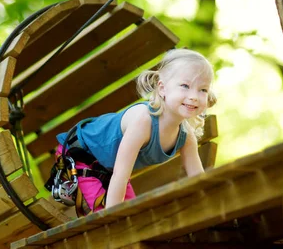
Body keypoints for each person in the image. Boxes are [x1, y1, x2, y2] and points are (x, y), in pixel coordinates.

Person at [46, 48, 217, 216]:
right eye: (185, 86)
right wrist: (112, 218)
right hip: (81, 154)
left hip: (108, 168)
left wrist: (214, 208)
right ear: (162, 88)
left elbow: (198, 181)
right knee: (108, 215)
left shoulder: (186, 136)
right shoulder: (144, 120)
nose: (194, 96)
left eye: (203, 89)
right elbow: (121, 174)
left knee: (133, 217)